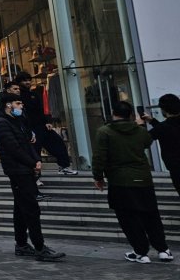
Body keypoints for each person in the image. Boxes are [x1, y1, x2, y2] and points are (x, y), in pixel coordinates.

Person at [92, 99, 172, 263]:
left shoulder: (105, 132)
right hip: (143, 178)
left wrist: (98, 177)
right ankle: (163, 249)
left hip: (120, 180)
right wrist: (140, 124)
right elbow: (147, 142)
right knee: (151, 215)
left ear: (113, 113)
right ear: (130, 115)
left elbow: (99, 157)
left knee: (128, 218)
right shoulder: (140, 130)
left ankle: (141, 252)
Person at [0, 90, 65, 262]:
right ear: (9, 105)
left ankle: (22, 244)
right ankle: (39, 247)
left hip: (24, 168)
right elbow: (13, 148)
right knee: (31, 208)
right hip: (18, 170)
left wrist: (35, 160)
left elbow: (27, 143)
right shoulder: (1, 123)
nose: (21, 106)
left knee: (21, 208)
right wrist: (33, 162)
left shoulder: (16, 121)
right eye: (18, 103)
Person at [13, 72, 77, 175]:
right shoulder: (17, 98)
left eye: (29, 80)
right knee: (34, 152)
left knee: (58, 143)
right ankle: (35, 175)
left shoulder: (34, 94)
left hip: (41, 126)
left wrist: (47, 122)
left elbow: (40, 110)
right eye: (25, 80)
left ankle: (64, 166)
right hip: (30, 128)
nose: (28, 82)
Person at [144, 93, 180, 200]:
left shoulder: (162, 128)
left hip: (176, 168)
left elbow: (143, 140)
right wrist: (152, 121)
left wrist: (141, 125)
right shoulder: (163, 127)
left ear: (163, 110)